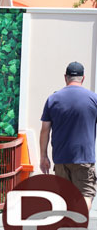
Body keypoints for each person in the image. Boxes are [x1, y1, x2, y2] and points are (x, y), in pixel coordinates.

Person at [40, 61, 97, 213]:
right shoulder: (93, 99)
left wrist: (43, 156)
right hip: (84, 158)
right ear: (83, 78)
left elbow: (45, 130)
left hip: (60, 159)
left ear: (65, 77)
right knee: (86, 194)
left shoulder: (53, 99)